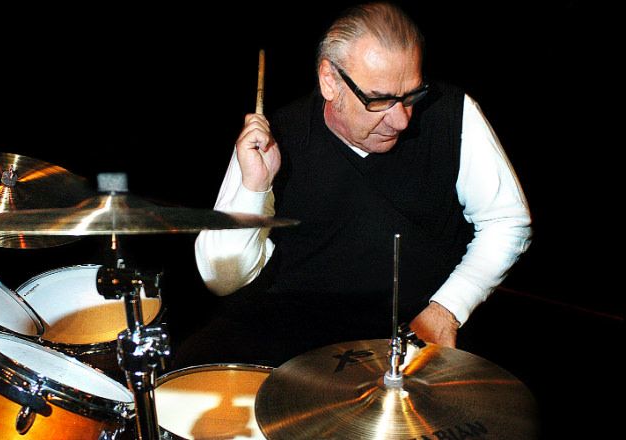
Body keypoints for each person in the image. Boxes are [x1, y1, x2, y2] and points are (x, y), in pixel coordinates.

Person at [176, 2, 531, 367]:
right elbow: (221, 279)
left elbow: (507, 222)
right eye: (380, 100)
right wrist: (254, 188)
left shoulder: (452, 113)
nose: (401, 120)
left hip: (404, 346)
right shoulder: (272, 138)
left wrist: (448, 308)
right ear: (330, 81)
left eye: (411, 95)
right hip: (288, 346)